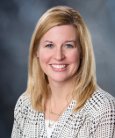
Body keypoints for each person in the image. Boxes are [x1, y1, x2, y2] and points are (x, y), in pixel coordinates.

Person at [11, 6, 115, 138]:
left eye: (68, 45)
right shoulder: (25, 104)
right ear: (36, 51)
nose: (59, 56)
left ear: (82, 51)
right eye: (49, 45)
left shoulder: (103, 110)